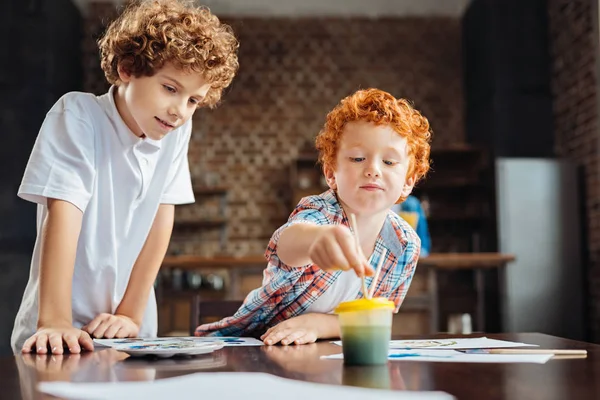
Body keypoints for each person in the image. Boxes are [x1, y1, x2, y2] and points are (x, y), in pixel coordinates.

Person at [12, 0, 239, 355]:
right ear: (127, 69)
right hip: (62, 330)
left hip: (129, 334)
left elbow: (162, 218)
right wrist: (54, 321)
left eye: (194, 100)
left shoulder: (175, 131)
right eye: (170, 88)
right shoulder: (78, 115)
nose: (180, 111)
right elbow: (63, 214)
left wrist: (130, 314)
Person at [196, 88, 432, 345]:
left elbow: (376, 319)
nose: (373, 170)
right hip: (259, 344)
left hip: (330, 355)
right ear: (331, 174)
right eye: (357, 158)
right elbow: (287, 243)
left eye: (389, 162)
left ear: (408, 182)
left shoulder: (405, 244)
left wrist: (318, 324)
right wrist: (316, 240)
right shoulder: (320, 212)